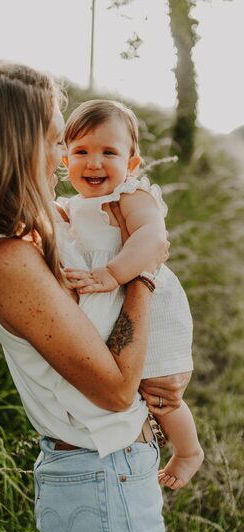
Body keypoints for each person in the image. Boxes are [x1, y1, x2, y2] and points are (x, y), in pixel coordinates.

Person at [0, 60, 192, 532]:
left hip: (108, 472)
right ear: (12, 146)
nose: (63, 158)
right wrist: (144, 274)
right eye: (56, 141)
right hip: (101, 479)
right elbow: (115, 391)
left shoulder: (34, 233)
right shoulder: (7, 259)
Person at [55, 99, 204, 490]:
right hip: (119, 303)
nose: (94, 163)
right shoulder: (74, 205)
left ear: (132, 164)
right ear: (63, 159)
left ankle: (188, 450)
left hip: (155, 307)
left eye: (109, 152)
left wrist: (111, 273)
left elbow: (152, 239)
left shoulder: (131, 195)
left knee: (159, 387)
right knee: (131, 378)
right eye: (81, 151)